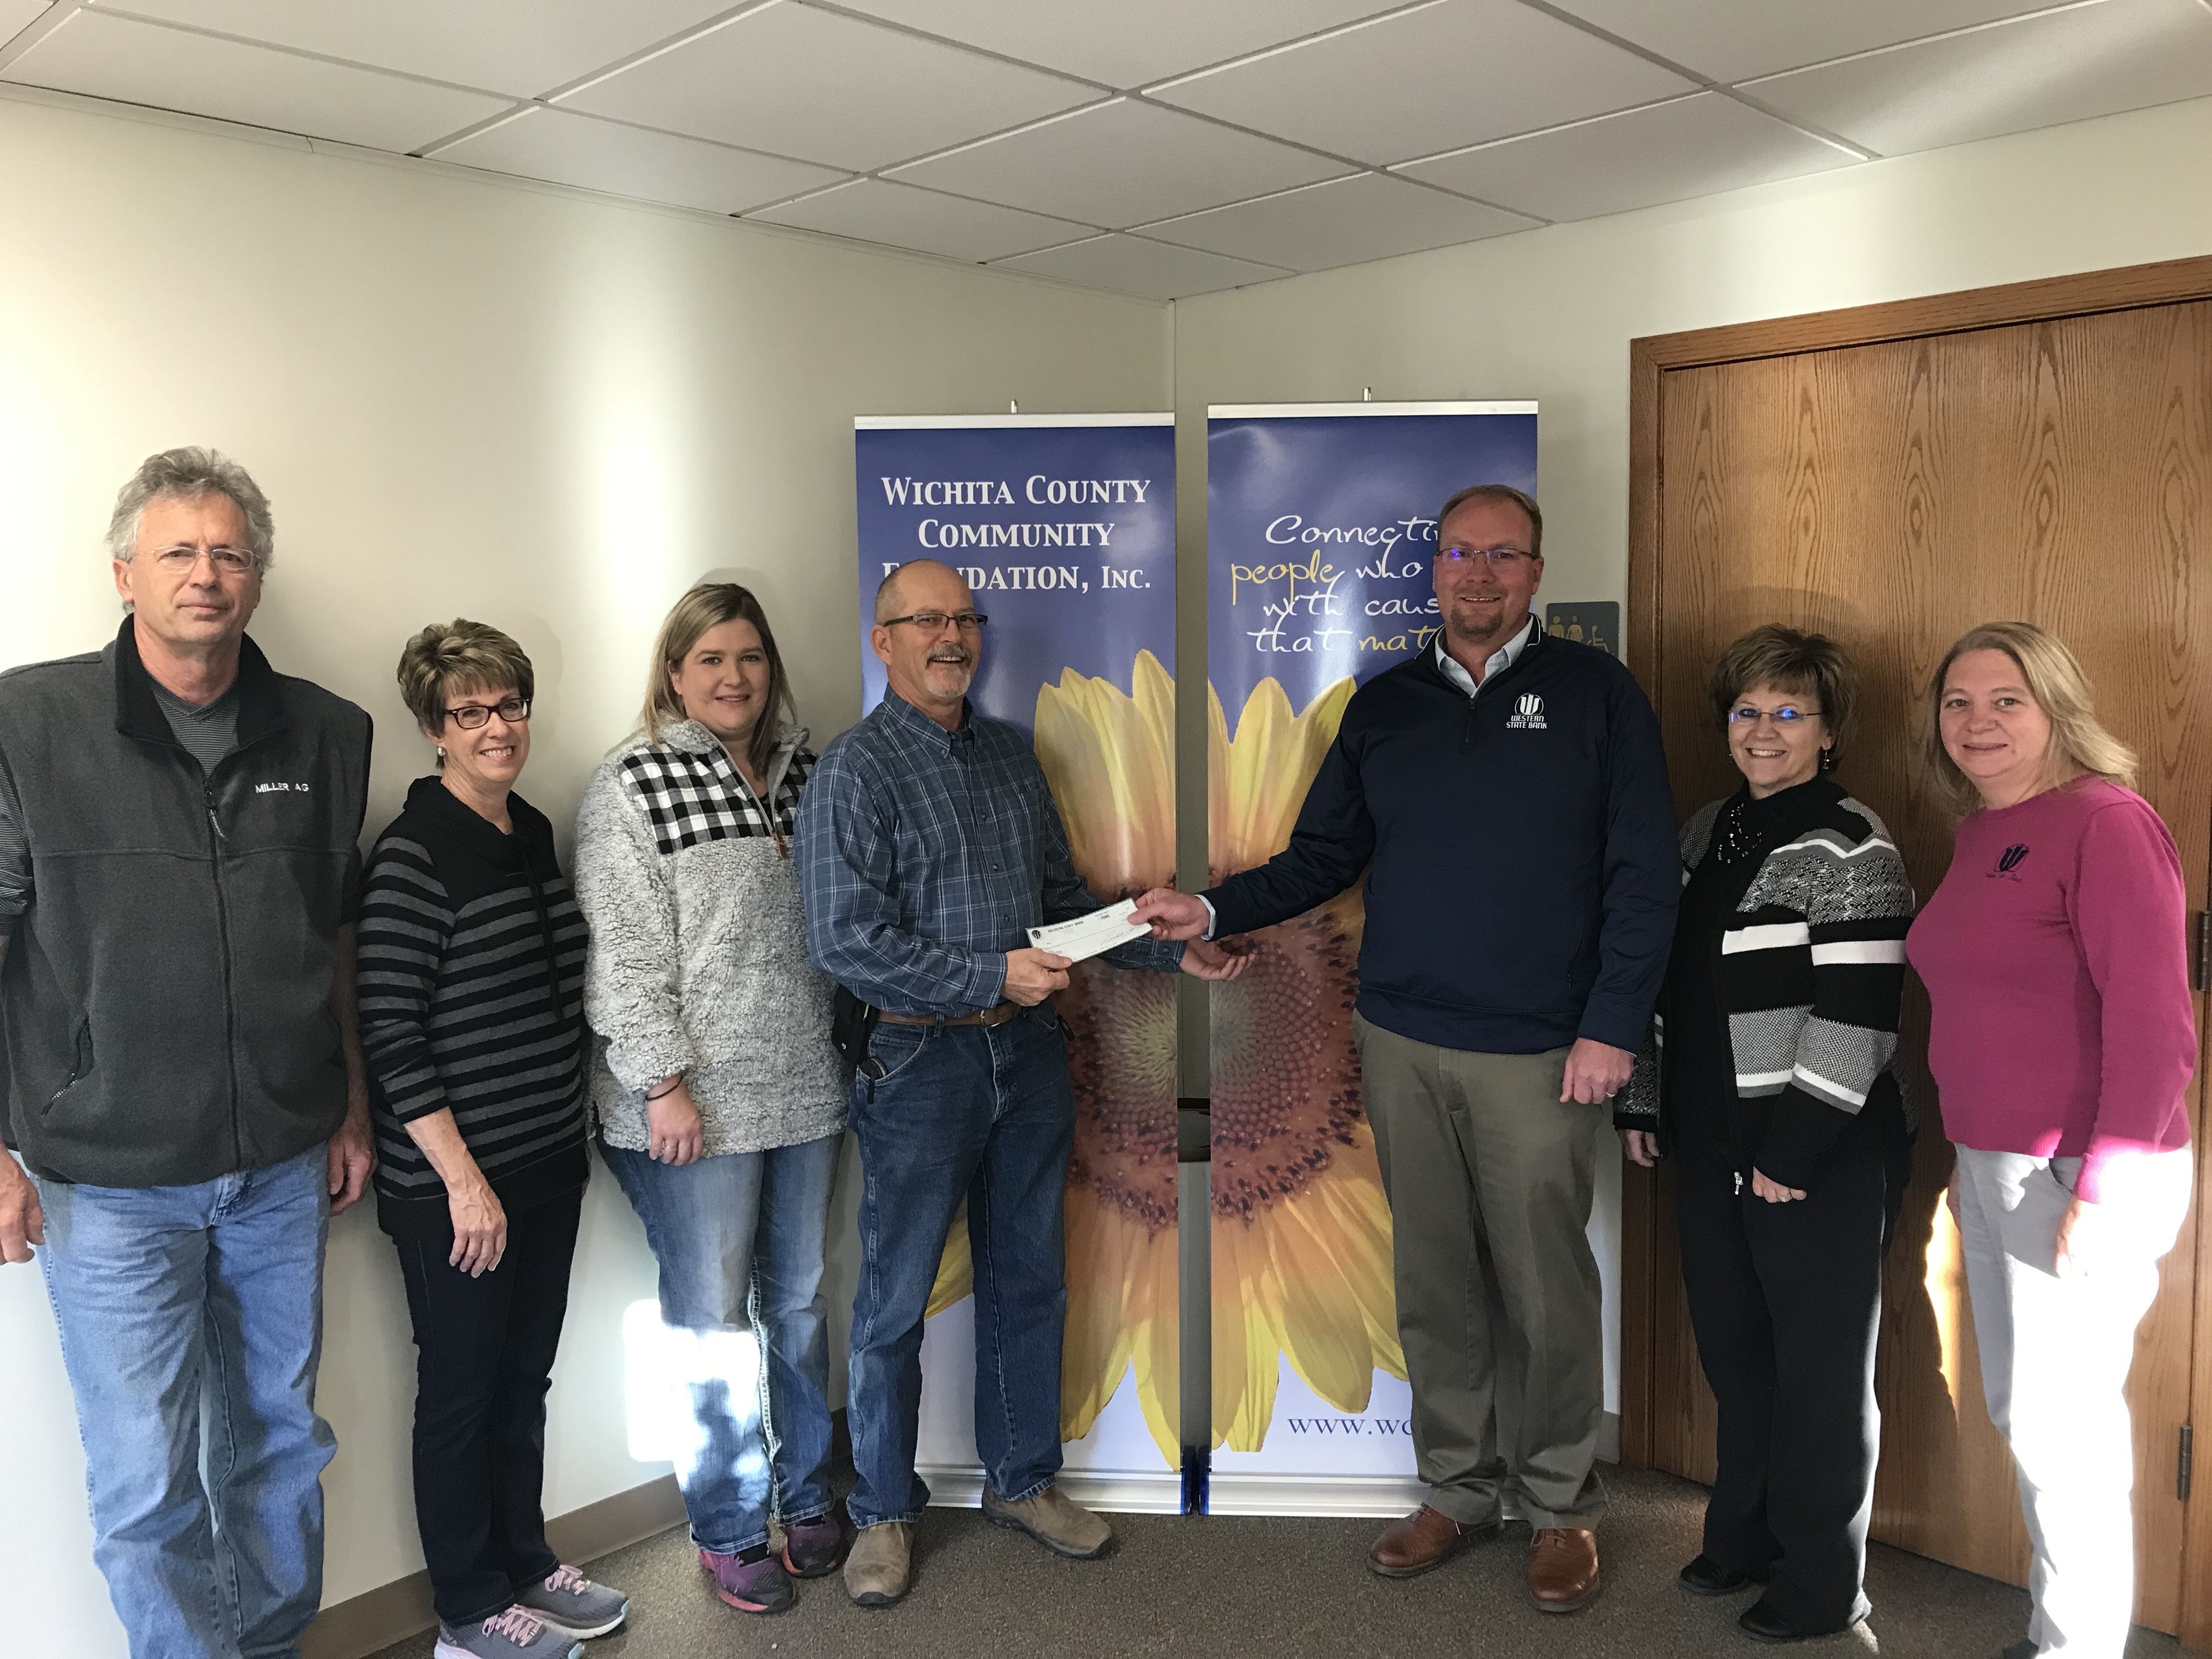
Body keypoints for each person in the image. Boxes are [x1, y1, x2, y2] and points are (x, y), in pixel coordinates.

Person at [1133, 484, 1677, 1613]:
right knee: (1434, 1280)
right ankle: (1458, 1488)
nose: (1478, 574)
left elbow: (1641, 877)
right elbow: (1322, 856)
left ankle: (1563, 1504)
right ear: (1434, 569)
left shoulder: (1598, 696)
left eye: (1503, 556)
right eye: (1459, 554)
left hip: (1544, 1051)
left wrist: (1613, 1029)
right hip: (1401, 1039)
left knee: (1547, 1286)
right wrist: (1212, 910)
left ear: (1536, 571)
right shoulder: (1384, 707)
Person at [797, 557, 1246, 1609]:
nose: (950, 637)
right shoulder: (853, 772)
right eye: (925, 621)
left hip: (1029, 1057)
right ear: (885, 641)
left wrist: (1162, 947)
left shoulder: (1009, 756)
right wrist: (986, 974)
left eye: (963, 619)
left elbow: (1057, 903)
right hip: (916, 1063)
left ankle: (1022, 1480)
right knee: (895, 1302)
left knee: (1028, 1277)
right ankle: (883, 1512)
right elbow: (844, 941)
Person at [0, 448, 374, 1659]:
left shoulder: (328, 732)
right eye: (178, 551)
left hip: (279, 1161)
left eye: (229, 553)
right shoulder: (25, 723)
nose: (205, 575)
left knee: (277, 1445)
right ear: (124, 573)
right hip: (106, 1184)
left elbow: (334, 947)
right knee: (144, 1481)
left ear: (257, 578)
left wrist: (352, 1108)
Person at [1615, 626, 1914, 1644]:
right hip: (1707, 1140)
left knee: (1821, 1371)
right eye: (1748, 711)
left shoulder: (1852, 844)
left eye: (1790, 712)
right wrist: (1646, 1098)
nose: (1764, 730)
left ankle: (1825, 1584)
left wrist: (1791, 1155)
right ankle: (1740, 1535)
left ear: (1830, 733)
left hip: (1813, 1151)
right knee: (1737, 1352)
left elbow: (1861, 1017)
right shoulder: (1704, 832)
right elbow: (1668, 988)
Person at [1908, 622, 2195, 1659]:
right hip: (1995, 1165)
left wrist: (2103, 1186)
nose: (1977, 722)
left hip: (2081, 1171)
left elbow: (2158, 1024)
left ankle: (2074, 1649)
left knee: (2062, 1432)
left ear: (2057, 709)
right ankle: (2060, 1637)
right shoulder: (1989, 830)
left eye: (2006, 700)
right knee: (2031, 1416)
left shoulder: (2105, 823)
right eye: (1958, 703)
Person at [573, 582, 850, 1619]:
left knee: (800, 1302)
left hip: (806, 1088)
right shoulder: (631, 786)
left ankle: (808, 1490)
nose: (734, 678)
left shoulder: (810, 775)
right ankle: (730, 1525)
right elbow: (625, 957)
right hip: (694, 1107)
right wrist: (663, 1084)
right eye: (710, 661)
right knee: (710, 1323)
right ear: (674, 675)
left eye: (750, 658)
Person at [356, 621, 628, 1659]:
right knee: (464, 1397)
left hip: (546, 1163)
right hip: (458, 1191)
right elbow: (390, 1031)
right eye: (469, 711)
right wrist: (465, 1183)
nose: (496, 727)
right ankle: (468, 1616)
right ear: (434, 729)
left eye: (508, 704)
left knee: (525, 1383)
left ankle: (526, 1563)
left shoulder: (532, 829)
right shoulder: (414, 857)